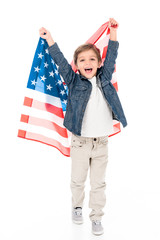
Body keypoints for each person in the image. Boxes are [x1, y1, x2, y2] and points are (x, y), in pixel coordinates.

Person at [39, 18, 127, 236]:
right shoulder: (74, 81)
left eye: (92, 59)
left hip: (101, 144)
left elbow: (113, 54)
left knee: (98, 183)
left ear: (99, 63)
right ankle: (76, 206)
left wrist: (113, 32)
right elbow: (59, 61)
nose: (87, 63)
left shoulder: (104, 78)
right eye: (82, 60)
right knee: (78, 180)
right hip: (80, 142)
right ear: (76, 66)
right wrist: (49, 39)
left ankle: (96, 217)